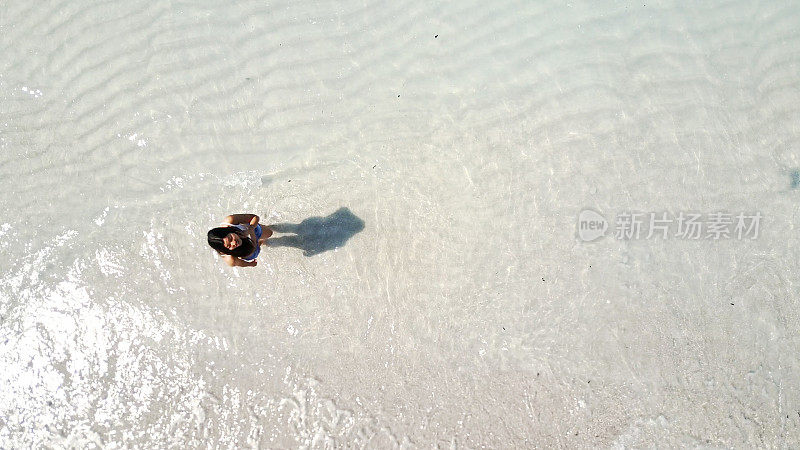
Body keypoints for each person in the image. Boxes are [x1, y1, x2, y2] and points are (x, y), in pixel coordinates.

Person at [207, 214, 272, 267]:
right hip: (248, 251)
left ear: (227, 231)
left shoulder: (230, 221)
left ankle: (262, 236)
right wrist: (250, 264)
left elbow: (255, 217)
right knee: (261, 243)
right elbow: (242, 263)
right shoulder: (230, 259)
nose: (234, 242)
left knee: (270, 233)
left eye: (230, 238)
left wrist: (249, 230)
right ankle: (260, 242)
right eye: (229, 246)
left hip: (252, 229)